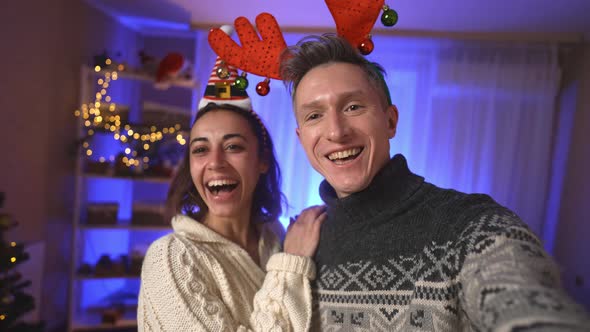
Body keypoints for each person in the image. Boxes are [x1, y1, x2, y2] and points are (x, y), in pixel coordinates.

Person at [279, 34, 590, 331]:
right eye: (314, 116)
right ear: (301, 138)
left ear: (391, 121)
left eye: (353, 107)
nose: (336, 131)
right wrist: (292, 262)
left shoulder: (471, 225)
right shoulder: (299, 246)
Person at [137, 100, 326, 330]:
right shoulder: (171, 258)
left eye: (233, 147)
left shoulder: (275, 237)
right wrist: (291, 265)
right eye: (200, 150)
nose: (215, 162)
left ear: (262, 160)